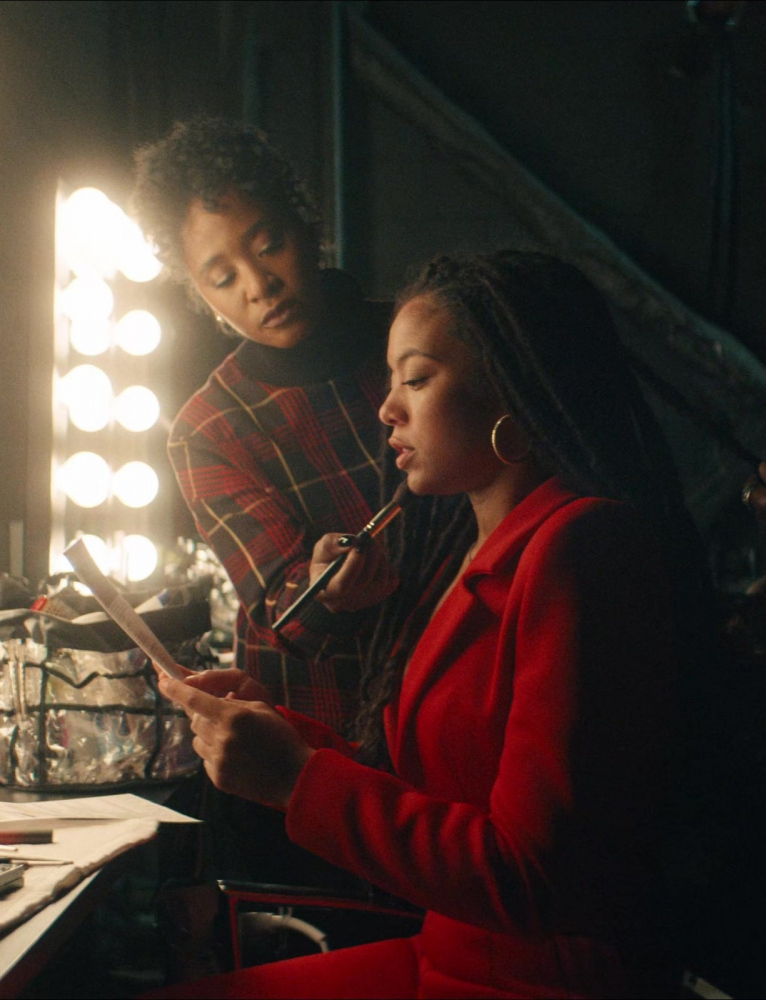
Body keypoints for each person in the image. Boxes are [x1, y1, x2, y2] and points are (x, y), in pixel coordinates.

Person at [153, 251, 702, 999]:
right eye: (390, 382)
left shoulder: (582, 550)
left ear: (509, 389)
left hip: (534, 980)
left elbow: (531, 880)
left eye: (415, 379)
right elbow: (438, 793)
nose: (387, 409)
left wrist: (296, 782)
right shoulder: (473, 550)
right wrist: (279, 731)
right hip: (449, 956)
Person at [132, 116, 396, 734]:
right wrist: (325, 588)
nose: (259, 285)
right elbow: (284, 608)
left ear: (306, 223)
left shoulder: (416, 336)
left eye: (268, 243)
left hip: (473, 685)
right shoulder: (210, 427)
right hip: (329, 727)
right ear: (201, 296)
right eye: (222, 278)